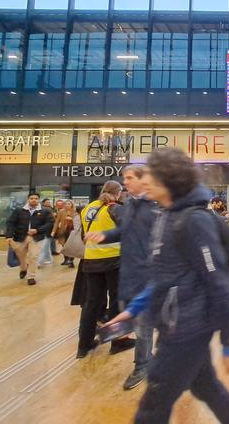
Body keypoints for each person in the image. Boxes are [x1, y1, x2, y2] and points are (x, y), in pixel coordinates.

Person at [102, 147, 229, 424]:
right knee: (206, 386)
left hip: (185, 330)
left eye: (151, 177)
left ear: (169, 181)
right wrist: (134, 309)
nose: (145, 182)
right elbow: (166, 275)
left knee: (152, 407)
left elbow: (220, 284)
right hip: (175, 322)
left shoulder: (193, 222)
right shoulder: (166, 214)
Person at [85, 165, 158, 390]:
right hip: (132, 271)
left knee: (146, 321)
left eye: (129, 178)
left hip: (151, 273)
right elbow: (124, 230)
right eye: (123, 178)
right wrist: (104, 235)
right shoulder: (131, 204)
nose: (124, 182)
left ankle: (143, 365)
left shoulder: (157, 205)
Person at [77, 180, 134, 359]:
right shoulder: (114, 208)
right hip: (114, 260)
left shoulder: (88, 208)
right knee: (117, 300)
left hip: (91, 260)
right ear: (118, 193)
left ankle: (84, 345)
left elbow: (83, 236)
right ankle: (117, 341)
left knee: (92, 303)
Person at [5, 192, 54, 286]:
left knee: (33, 256)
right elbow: (10, 223)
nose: (34, 200)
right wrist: (8, 236)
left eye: (36, 198)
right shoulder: (19, 211)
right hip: (20, 237)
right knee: (20, 256)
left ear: (38, 200)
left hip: (36, 238)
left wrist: (37, 230)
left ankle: (31, 277)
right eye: (31, 198)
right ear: (28, 199)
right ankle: (23, 268)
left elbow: (49, 223)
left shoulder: (45, 211)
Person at [52, 199, 78, 267]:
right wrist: (53, 231)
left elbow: (78, 222)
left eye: (69, 204)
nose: (67, 205)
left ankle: (71, 260)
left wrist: (71, 220)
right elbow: (57, 222)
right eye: (66, 204)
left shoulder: (75, 212)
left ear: (72, 205)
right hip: (63, 231)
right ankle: (66, 259)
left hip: (72, 231)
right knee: (64, 246)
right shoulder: (61, 211)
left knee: (71, 247)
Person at [37, 198, 55, 266]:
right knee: (46, 247)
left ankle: (39, 262)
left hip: (47, 231)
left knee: (43, 247)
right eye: (47, 202)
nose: (48, 203)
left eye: (49, 202)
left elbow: (52, 222)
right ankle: (49, 259)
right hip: (41, 231)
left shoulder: (50, 210)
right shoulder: (39, 210)